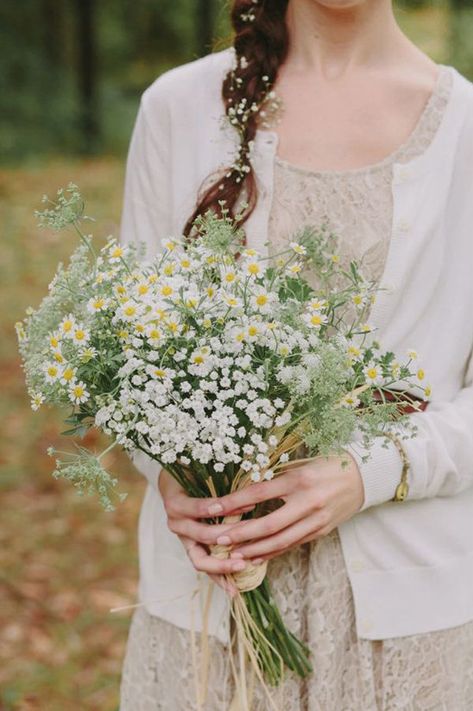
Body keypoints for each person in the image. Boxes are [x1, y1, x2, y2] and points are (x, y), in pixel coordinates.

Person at [118, 1, 473, 708]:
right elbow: (132, 354)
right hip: (210, 614)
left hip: (410, 629)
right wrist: (169, 470)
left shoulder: (465, 130)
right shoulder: (176, 110)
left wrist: (370, 470)